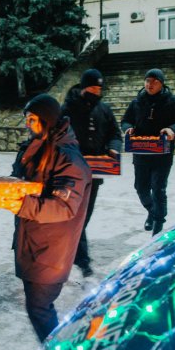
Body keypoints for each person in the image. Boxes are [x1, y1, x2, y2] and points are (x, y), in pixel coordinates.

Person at [9, 93, 92, 342]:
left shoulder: (69, 159)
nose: (27, 124)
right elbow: (21, 181)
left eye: (32, 119)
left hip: (51, 248)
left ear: (46, 120)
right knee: (38, 307)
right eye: (27, 118)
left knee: (39, 307)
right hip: (31, 239)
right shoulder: (35, 147)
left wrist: (21, 203)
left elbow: (63, 207)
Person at [60, 68, 122, 277]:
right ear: (84, 87)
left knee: (83, 217)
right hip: (71, 173)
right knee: (76, 216)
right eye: (93, 87)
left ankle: (72, 252)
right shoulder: (68, 109)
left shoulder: (104, 109)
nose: (97, 91)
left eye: (99, 87)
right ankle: (83, 262)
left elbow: (115, 133)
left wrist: (113, 148)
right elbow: (57, 136)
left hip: (95, 174)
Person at [121, 69, 175, 236]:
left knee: (158, 188)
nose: (149, 84)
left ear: (161, 83)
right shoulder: (137, 102)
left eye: (154, 81)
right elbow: (125, 120)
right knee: (141, 187)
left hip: (162, 155)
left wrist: (172, 129)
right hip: (141, 153)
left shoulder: (173, 102)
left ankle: (159, 222)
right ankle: (152, 211)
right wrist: (128, 128)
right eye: (147, 80)